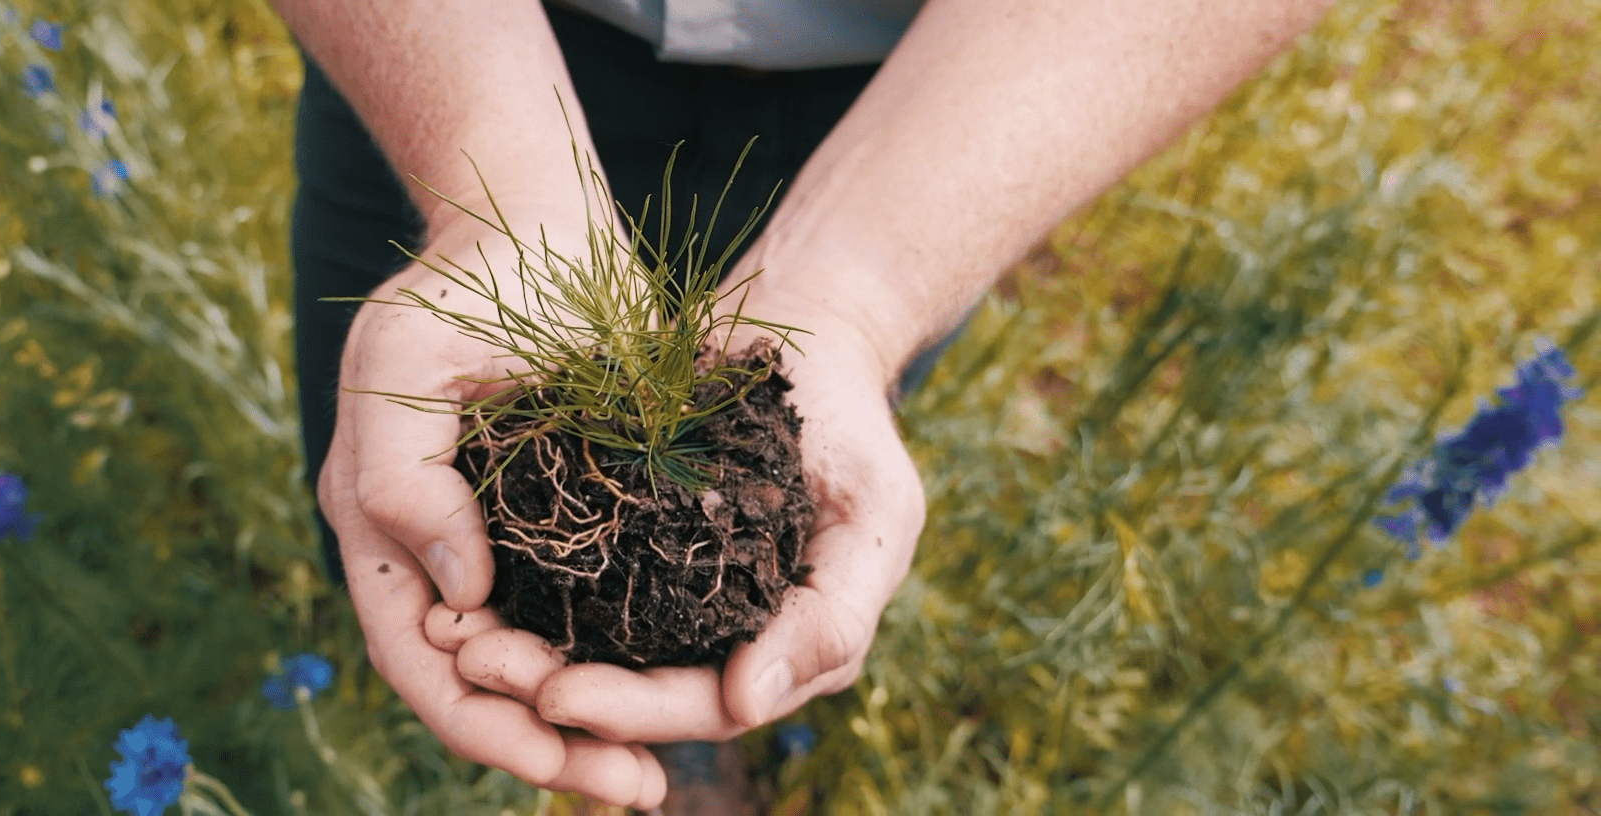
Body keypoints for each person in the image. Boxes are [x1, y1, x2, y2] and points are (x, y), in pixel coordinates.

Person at [270, 0, 1333, 809]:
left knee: (784, 452)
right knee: (414, 496)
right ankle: (409, 709)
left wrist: (856, 294)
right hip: (443, 44)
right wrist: (482, 196)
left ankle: (683, 711)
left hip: (951, 89)